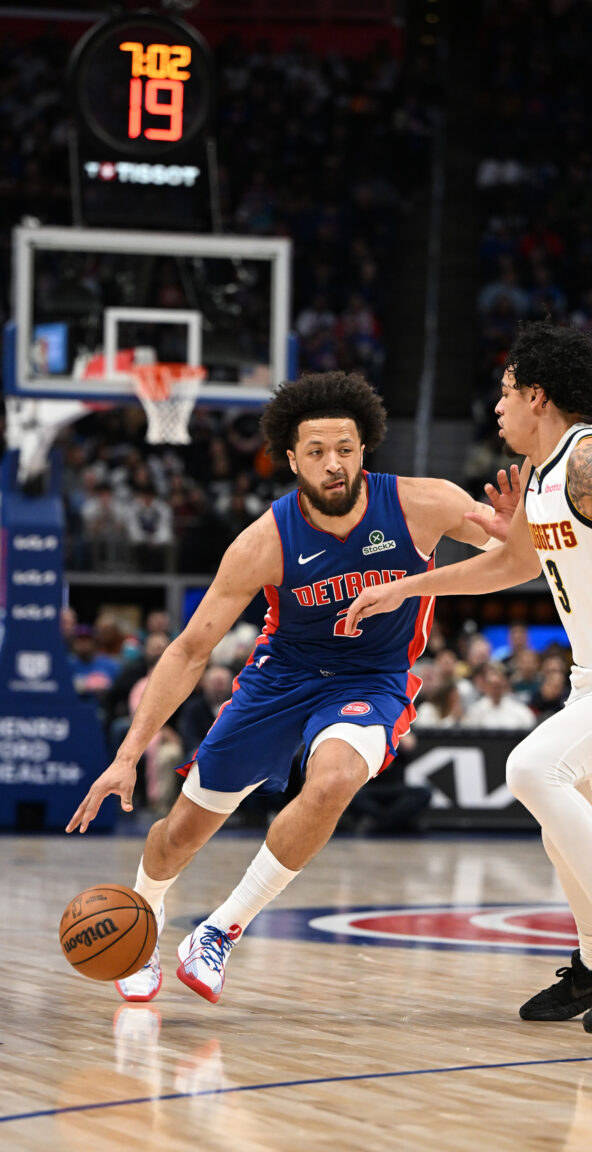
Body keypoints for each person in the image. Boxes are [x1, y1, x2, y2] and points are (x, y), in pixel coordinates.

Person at [66, 370, 517, 1004]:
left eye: (346, 449)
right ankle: (144, 918)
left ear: (364, 449)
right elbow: (190, 649)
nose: (334, 464)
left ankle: (220, 929)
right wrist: (126, 756)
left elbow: (515, 559)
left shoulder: (426, 503)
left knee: (333, 781)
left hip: (373, 680)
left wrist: (520, 528)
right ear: (291, 458)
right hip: (280, 679)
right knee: (181, 833)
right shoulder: (263, 541)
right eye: (317, 451)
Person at [345, 321, 592, 1033]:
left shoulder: (591, 458)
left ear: (537, 395)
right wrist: (404, 587)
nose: (496, 407)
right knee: (566, 827)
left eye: (505, 392)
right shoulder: (539, 476)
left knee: (531, 768)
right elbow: (510, 566)